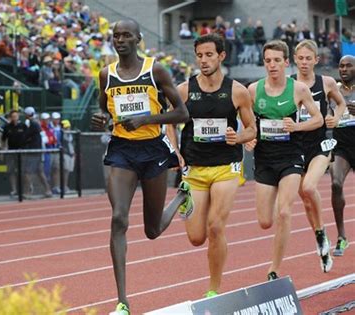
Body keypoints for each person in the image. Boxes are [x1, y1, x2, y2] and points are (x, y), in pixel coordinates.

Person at [90, 19, 190, 315]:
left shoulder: (155, 70)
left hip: (153, 150)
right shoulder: (106, 74)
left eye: (126, 35)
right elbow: (102, 111)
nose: (120, 40)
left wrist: (146, 119)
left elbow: (183, 113)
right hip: (121, 150)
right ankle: (122, 301)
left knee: (152, 230)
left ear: (138, 39)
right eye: (116, 36)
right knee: (119, 218)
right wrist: (99, 120)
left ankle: (182, 197)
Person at [168, 34, 256, 298]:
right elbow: (170, 122)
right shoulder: (184, 89)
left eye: (209, 55)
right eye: (199, 55)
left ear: (221, 56)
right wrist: (174, 152)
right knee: (196, 237)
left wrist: (238, 136)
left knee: (216, 226)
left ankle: (213, 289)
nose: (203, 60)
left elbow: (252, 129)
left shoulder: (237, 91)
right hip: (194, 168)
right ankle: (187, 199)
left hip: (226, 166)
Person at [246, 40, 323, 281]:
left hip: (291, 156)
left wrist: (297, 125)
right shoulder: (253, 90)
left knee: (284, 212)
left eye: (277, 60)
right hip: (265, 159)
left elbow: (319, 119)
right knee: (265, 221)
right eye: (268, 61)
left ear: (286, 62)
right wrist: (248, 138)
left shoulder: (298, 89)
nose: (272, 65)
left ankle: (274, 269)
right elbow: (246, 121)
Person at [292, 40, 346, 271]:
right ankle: (319, 235)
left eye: (308, 58)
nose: (304, 62)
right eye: (300, 58)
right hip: (295, 147)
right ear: (295, 59)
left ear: (316, 60)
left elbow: (341, 104)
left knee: (308, 188)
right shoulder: (288, 85)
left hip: (320, 145)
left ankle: (322, 230)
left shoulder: (327, 82)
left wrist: (336, 117)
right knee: (305, 200)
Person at [331, 55, 355, 256]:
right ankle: (341, 236)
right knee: (336, 183)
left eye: (348, 65)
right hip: (342, 147)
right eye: (341, 66)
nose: (344, 69)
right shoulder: (334, 90)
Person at [23, 107, 52, 198]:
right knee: (40, 172)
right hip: (39, 150)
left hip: (34, 151)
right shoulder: (37, 123)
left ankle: (27, 192)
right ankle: (48, 190)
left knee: (27, 172)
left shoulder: (32, 123)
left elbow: (26, 136)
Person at [1, 109, 27, 196]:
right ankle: (14, 189)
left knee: (22, 171)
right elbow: (3, 140)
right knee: (11, 171)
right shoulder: (7, 127)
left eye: (16, 116)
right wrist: (2, 151)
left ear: (18, 116)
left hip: (22, 151)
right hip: (11, 152)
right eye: (13, 117)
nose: (14, 118)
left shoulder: (23, 126)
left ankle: (25, 189)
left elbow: (28, 138)